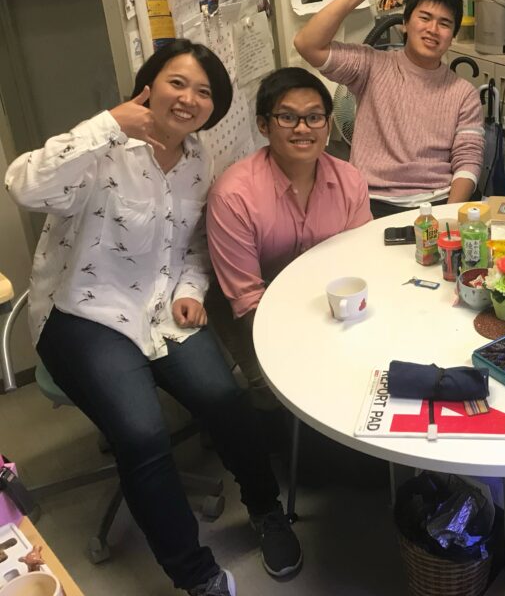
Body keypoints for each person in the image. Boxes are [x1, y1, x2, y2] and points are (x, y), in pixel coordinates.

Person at [4, 40, 301, 596]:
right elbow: (23, 184)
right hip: (82, 313)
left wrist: (191, 288)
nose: (189, 99)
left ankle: (267, 511)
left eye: (204, 92)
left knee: (226, 399)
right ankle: (197, 577)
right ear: (148, 85)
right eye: (177, 83)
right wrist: (107, 124)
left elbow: (191, 247)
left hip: (161, 309)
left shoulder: (198, 161)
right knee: (142, 433)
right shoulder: (101, 146)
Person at [206, 67, 372, 410]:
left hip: (327, 304)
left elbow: (361, 259)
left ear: (328, 125)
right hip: (253, 316)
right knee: (288, 398)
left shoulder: (349, 180)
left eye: (314, 118)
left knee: (363, 377)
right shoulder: (234, 195)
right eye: (287, 117)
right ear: (264, 125)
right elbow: (246, 298)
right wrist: (301, 348)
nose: (302, 129)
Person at [293, 0, 484, 218]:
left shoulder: (463, 93)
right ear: (404, 23)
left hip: (439, 201)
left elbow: (468, 159)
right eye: (425, 18)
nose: (432, 29)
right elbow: (307, 44)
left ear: (452, 35)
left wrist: (448, 217)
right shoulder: (371, 65)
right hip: (373, 202)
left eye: (444, 23)